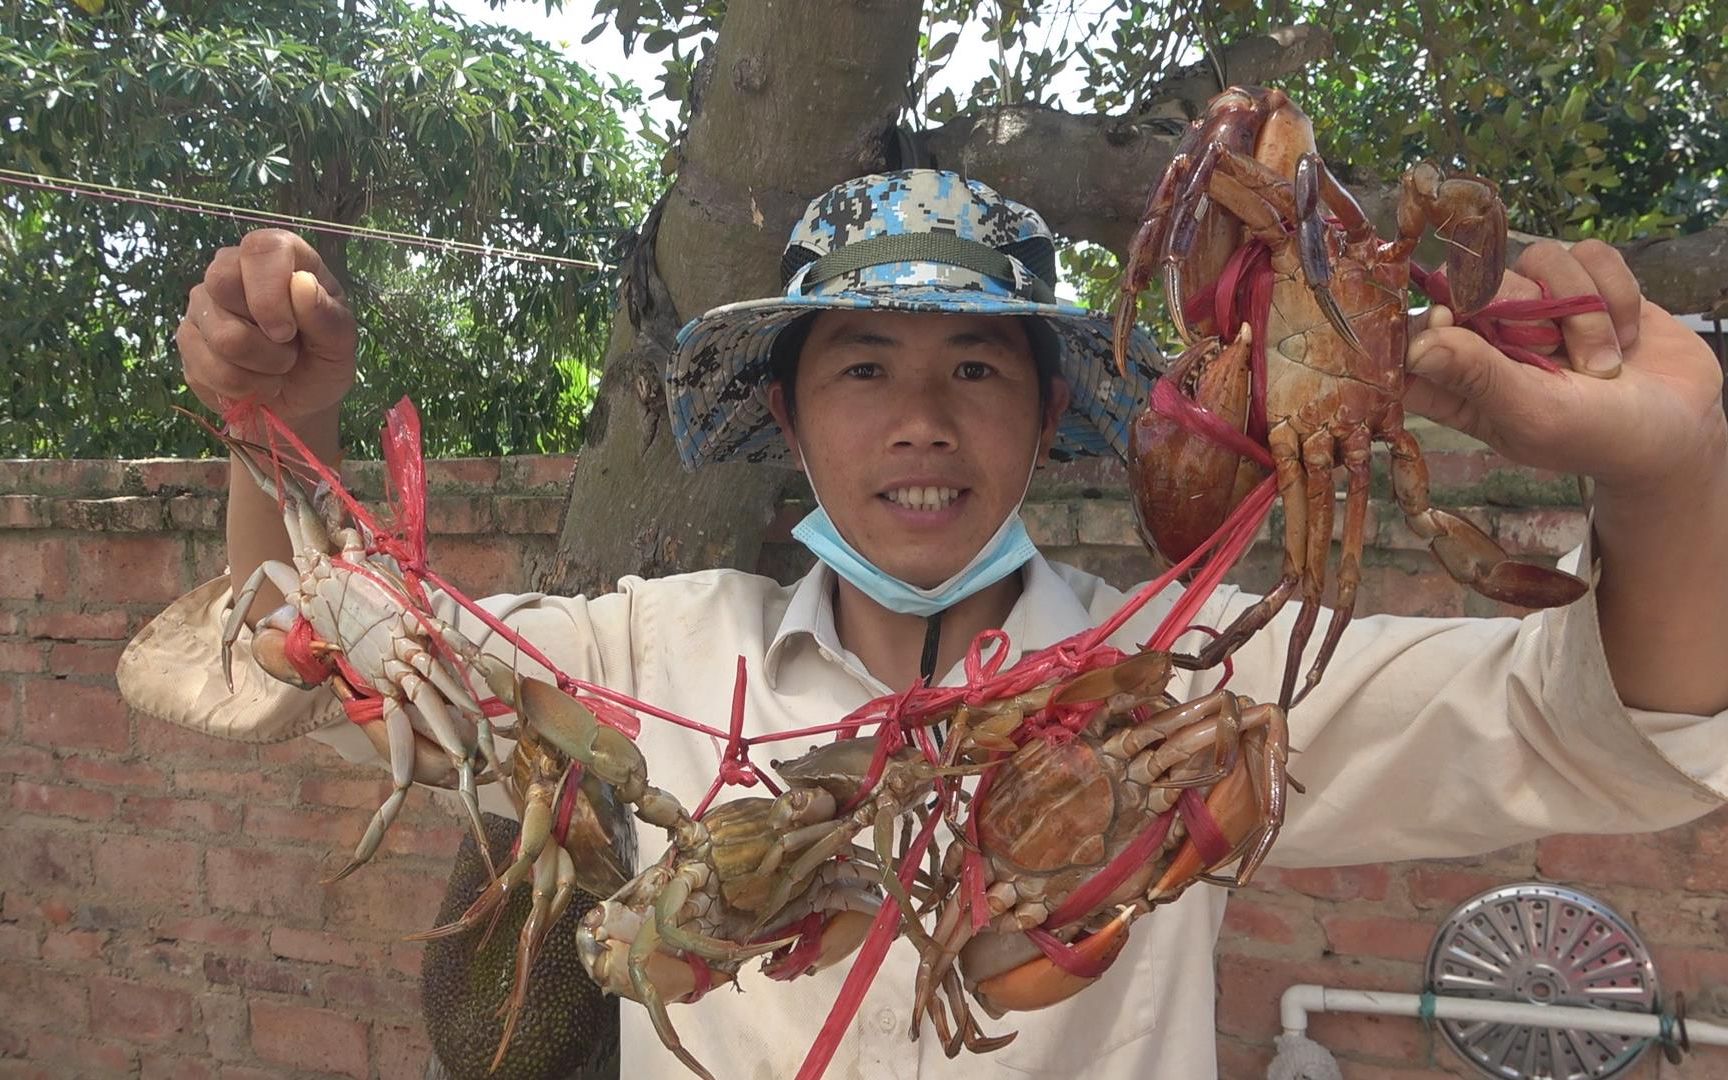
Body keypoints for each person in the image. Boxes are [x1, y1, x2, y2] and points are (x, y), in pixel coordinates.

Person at [120, 169, 1728, 1078]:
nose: (920, 421)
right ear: (793, 422)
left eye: (975, 368)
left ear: (1045, 420)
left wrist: (1670, 483)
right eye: (863, 367)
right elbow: (309, 642)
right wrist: (269, 435)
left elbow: (1610, 729)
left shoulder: (1198, 683)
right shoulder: (640, 659)